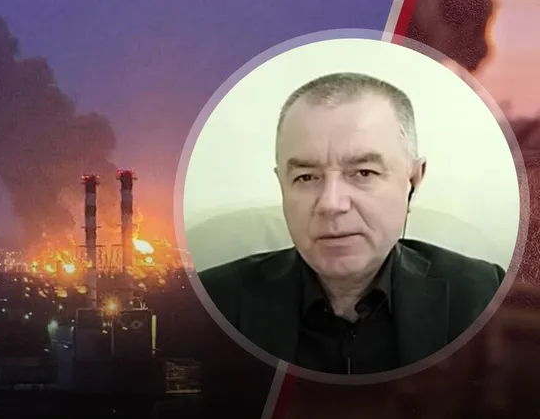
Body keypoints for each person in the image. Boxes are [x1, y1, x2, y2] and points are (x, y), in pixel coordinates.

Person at [198, 72, 505, 375]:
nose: (331, 203)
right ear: (282, 185)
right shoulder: (208, 303)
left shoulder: (484, 294)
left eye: (364, 173)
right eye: (306, 177)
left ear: (412, 181)